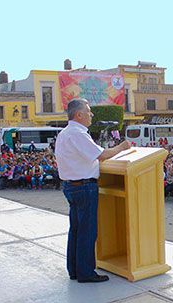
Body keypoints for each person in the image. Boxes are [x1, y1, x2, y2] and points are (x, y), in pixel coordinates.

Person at [55, 98, 130, 283]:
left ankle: (74, 269)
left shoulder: (65, 133)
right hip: (84, 187)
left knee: (76, 230)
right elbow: (102, 155)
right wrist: (122, 146)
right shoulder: (78, 133)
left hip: (71, 186)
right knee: (87, 231)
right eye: (88, 111)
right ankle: (86, 272)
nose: (92, 115)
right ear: (78, 115)